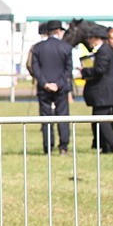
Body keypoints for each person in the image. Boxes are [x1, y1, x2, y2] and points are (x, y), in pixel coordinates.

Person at [29, 19, 73, 154]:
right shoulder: (66, 47)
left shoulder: (37, 48)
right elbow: (68, 70)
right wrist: (58, 83)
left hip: (44, 89)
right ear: (59, 31)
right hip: (61, 88)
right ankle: (63, 146)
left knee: (46, 118)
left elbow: (35, 69)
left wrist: (45, 83)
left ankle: (48, 146)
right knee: (63, 116)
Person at [80, 26, 113, 153]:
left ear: (97, 39)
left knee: (101, 119)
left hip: (103, 93)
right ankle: (106, 147)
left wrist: (85, 71)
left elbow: (100, 70)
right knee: (100, 119)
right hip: (104, 92)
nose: (89, 40)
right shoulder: (104, 50)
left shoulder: (103, 51)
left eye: (91, 38)